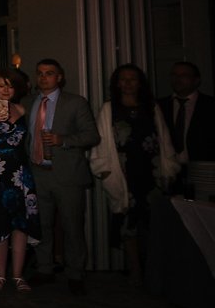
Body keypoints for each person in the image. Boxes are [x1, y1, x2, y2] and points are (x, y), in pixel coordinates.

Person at [91, 64, 179, 284]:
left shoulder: (152, 107)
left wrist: (169, 168)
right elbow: (101, 142)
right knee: (128, 222)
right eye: (123, 79)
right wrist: (104, 170)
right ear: (117, 83)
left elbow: (164, 139)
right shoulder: (109, 108)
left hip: (151, 171)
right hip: (123, 171)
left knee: (153, 221)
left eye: (133, 79)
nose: (128, 83)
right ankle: (135, 269)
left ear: (140, 83)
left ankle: (154, 268)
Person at [26, 59, 100, 295]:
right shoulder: (28, 102)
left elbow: (92, 136)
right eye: (40, 73)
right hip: (38, 172)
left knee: (72, 225)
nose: (43, 77)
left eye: (49, 73)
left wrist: (63, 140)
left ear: (60, 77)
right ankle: (45, 268)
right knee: (41, 225)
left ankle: (75, 273)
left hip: (67, 174)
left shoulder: (75, 103)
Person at [0, 68, 40, 292]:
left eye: (10, 85)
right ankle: (0, 274)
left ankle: (18, 275)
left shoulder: (22, 110)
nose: (6, 89)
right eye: (2, 84)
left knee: (20, 225)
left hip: (20, 173)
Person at [159, 61, 215, 194]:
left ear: (196, 80)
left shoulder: (210, 106)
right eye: (174, 75)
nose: (177, 79)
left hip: (203, 170)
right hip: (170, 170)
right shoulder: (160, 106)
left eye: (184, 75)